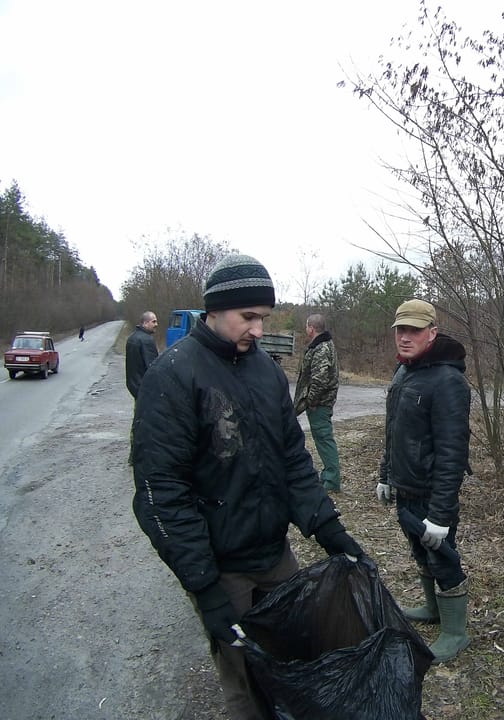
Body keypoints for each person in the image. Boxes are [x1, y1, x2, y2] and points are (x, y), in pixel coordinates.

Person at [130, 254, 364, 720]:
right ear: (214, 310)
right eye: (249, 317)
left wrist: (328, 528)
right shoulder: (173, 375)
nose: (258, 330)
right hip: (222, 567)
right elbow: (162, 495)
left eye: (264, 318)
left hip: (274, 554)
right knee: (245, 683)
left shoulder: (266, 372)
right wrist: (206, 589)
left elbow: (292, 459)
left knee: (293, 658)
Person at [375, 299, 472, 663]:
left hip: (432, 494)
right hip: (406, 488)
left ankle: (456, 632)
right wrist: (386, 475)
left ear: (432, 333)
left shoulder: (448, 381)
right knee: (420, 552)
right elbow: (394, 431)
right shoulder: (404, 372)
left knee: (442, 558)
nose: (405, 337)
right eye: (401, 329)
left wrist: (441, 515)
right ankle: (433, 609)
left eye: (414, 330)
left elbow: (452, 453)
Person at [293, 314, 342, 492]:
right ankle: (329, 475)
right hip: (320, 402)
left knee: (324, 439)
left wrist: (311, 401)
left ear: (311, 328)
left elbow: (320, 379)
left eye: (307, 326)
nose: (306, 329)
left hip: (320, 404)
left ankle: (332, 480)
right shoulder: (323, 345)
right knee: (322, 439)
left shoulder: (321, 348)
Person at [124, 311, 159, 399]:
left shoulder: (131, 338)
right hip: (145, 388)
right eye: (153, 321)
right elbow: (152, 367)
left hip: (133, 386)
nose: (156, 324)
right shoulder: (147, 340)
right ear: (145, 323)